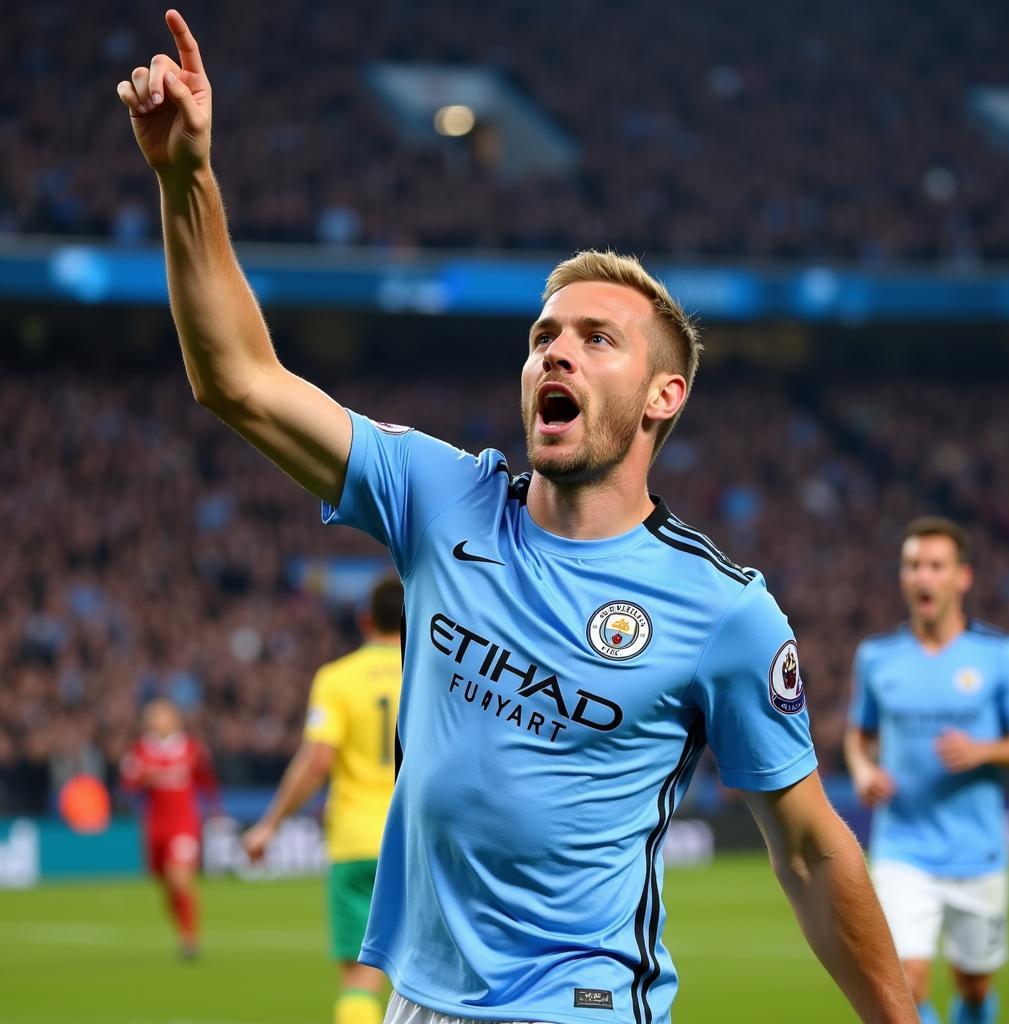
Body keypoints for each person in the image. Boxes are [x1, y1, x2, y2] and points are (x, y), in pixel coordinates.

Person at [116, 12, 917, 1022]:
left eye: (596, 338)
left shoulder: (723, 612)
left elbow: (806, 844)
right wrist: (186, 177)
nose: (555, 352)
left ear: (663, 397)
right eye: (543, 334)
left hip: (576, 1003)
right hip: (419, 997)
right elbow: (236, 378)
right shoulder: (442, 496)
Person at [846, 518, 1009, 1024]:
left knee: (973, 986)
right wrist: (861, 769)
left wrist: (984, 751)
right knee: (906, 983)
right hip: (903, 848)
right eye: (913, 566)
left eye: (935, 566)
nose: (923, 577)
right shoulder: (877, 658)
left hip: (977, 851)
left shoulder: (999, 655)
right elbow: (859, 735)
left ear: (961, 578)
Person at [242, 575, 404, 1024]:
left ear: (364, 619)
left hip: (355, 841)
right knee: (427, 978)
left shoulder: (337, 678)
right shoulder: (431, 670)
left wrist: (270, 823)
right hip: (419, 842)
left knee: (358, 979)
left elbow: (317, 762)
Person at [120, 697, 219, 958]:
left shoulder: (192, 749)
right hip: (155, 827)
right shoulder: (140, 751)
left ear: (174, 719)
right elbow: (127, 786)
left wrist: (215, 812)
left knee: (180, 878)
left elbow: (207, 783)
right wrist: (143, 778)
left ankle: (190, 939)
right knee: (166, 884)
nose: (156, 720)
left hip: (184, 824)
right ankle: (182, 929)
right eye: (152, 716)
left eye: (161, 715)